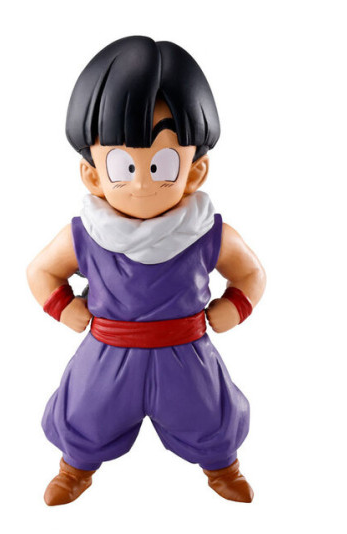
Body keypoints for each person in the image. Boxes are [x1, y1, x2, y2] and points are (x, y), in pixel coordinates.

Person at [27, 36, 266, 506]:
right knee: (86, 415)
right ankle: (75, 467)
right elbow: (40, 271)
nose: (140, 182)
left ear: (194, 172)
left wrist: (235, 307)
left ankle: (223, 466)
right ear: (93, 174)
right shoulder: (86, 234)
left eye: (161, 164)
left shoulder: (206, 232)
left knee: (209, 417)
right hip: (108, 352)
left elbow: (251, 273)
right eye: (122, 164)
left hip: (186, 351)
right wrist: (63, 307)